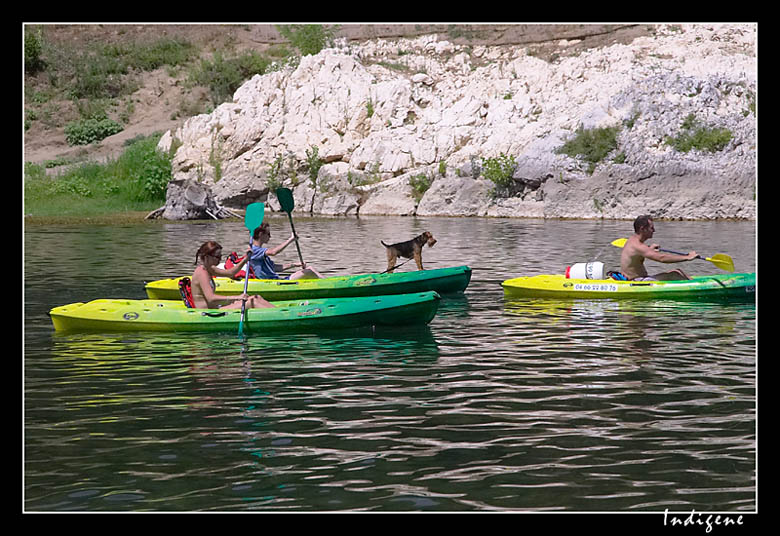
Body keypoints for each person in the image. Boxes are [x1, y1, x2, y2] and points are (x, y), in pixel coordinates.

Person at [191, 241, 274, 309]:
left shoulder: (210, 268)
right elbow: (211, 298)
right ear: (206, 257)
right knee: (253, 302)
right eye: (217, 257)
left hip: (216, 308)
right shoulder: (201, 273)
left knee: (256, 297)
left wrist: (245, 260)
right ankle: (278, 316)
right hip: (209, 313)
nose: (220, 260)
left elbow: (231, 272)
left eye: (220, 256)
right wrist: (236, 297)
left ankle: (278, 312)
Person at [620, 215, 697, 281]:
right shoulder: (638, 246)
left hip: (636, 278)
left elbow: (639, 252)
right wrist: (687, 257)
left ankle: (693, 282)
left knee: (677, 271)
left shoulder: (632, 240)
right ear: (642, 229)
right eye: (651, 228)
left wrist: (650, 249)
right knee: (675, 274)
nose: (654, 230)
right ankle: (696, 288)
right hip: (637, 281)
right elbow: (662, 258)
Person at [247, 222, 324, 280]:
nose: (270, 236)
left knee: (309, 268)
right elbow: (273, 252)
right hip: (271, 283)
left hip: (277, 281)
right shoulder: (253, 250)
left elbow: (275, 268)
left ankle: (326, 281)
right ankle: (327, 285)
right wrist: (291, 239)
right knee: (308, 272)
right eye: (268, 233)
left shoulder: (260, 252)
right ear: (261, 234)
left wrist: (295, 264)